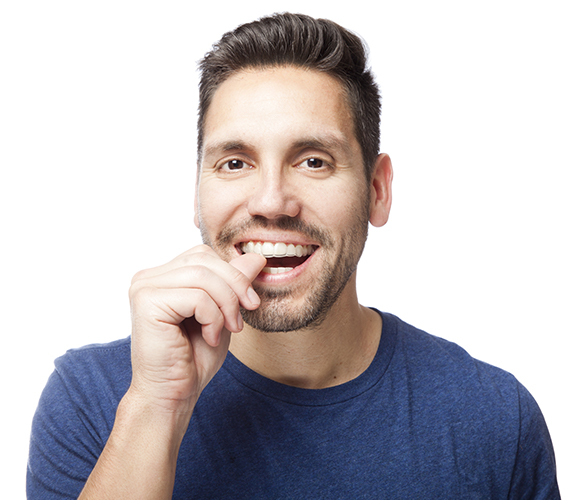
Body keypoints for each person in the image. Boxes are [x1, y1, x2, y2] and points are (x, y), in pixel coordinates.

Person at [27, 12, 560, 499]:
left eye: (313, 161)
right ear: (196, 192)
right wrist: (156, 407)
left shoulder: (494, 419)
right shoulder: (92, 402)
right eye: (235, 163)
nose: (270, 202)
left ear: (377, 190)